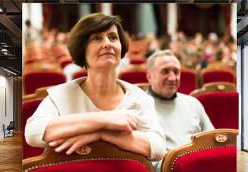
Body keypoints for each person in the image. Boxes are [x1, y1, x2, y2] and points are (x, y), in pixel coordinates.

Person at [25, 13, 165, 162]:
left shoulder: (139, 97)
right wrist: (104, 120)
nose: (108, 43)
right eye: (97, 38)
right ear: (82, 50)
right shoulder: (62, 95)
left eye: (113, 37)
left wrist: (102, 134)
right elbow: (33, 132)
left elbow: (158, 148)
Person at [146, 49, 214, 151]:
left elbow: (213, 140)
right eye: (165, 71)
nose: (172, 78)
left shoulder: (193, 103)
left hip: (199, 163)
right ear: (149, 76)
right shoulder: (140, 105)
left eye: (176, 72)